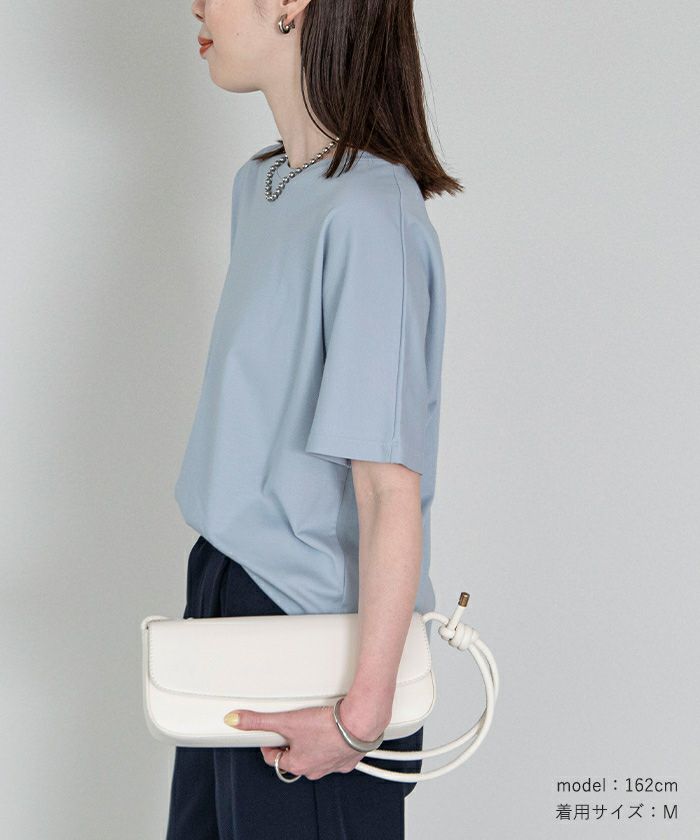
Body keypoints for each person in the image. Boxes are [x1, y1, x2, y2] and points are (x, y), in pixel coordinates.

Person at [166, 1, 462, 837]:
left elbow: (386, 490)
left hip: (318, 636)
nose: (197, 4)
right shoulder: (261, 188)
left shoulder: (371, 213)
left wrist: (359, 719)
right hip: (225, 591)